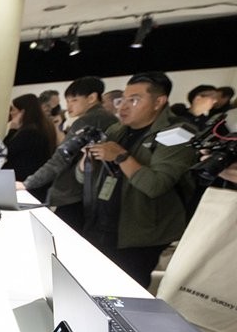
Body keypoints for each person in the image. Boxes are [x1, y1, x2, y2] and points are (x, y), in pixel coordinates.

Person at [80, 71, 197, 287]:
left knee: (126, 294)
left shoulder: (179, 134)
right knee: (90, 286)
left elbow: (155, 185)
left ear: (158, 102)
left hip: (140, 235)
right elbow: (84, 179)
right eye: (122, 99)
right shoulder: (117, 130)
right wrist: (85, 164)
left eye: (134, 100)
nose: (122, 107)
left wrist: (121, 157)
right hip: (101, 225)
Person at [17, 76, 118, 232]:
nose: (68, 106)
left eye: (74, 100)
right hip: (94, 194)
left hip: (75, 194)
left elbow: (60, 158)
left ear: (92, 98)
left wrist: (28, 183)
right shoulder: (110, 120)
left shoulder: (87, 121)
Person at [3, 93, 58, 200]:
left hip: (23, 183)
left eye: (14, 109)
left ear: (22, 112)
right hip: (36, 183)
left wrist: (12, 129)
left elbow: (5, 151)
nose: (11, 113)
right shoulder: (43, 128)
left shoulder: (29, 132)